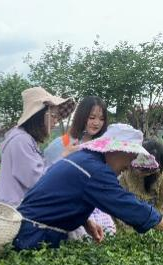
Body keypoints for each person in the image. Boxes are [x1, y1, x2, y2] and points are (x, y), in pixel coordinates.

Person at [13, 124, 163, 250]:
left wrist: (85, 221)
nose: (130, 165)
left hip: (30, 230)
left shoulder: (84, 159)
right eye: (131, 157)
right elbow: (127, 205)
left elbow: (64, 196)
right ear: (118, 150)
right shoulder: (95, 170)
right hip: (34, 236)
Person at [42, 95, 115, 237]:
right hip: (68, 203)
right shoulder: (64, 142)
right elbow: (46, 176)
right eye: (92, 117)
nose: (96, 123)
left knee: (107, 235)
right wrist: (65, 155)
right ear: (82, 116)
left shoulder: (102, 147)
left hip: (95, 205)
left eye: (101, 119)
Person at [0, 86, 75, 206]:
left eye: (58, 117)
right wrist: (63, 156)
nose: (56, 121)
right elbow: (37, 181)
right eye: (53, 116)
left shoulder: (25, 139)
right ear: (39, 114)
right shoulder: (20, 140)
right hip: (14, 211)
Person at [117, 139, 163, 232]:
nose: (146, 173)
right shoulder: (124, 174)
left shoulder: (160, 176)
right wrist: (132, 232)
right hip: (128, 226)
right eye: (142, 168)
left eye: (151, 170)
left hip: (155, 226)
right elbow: (118, 207)